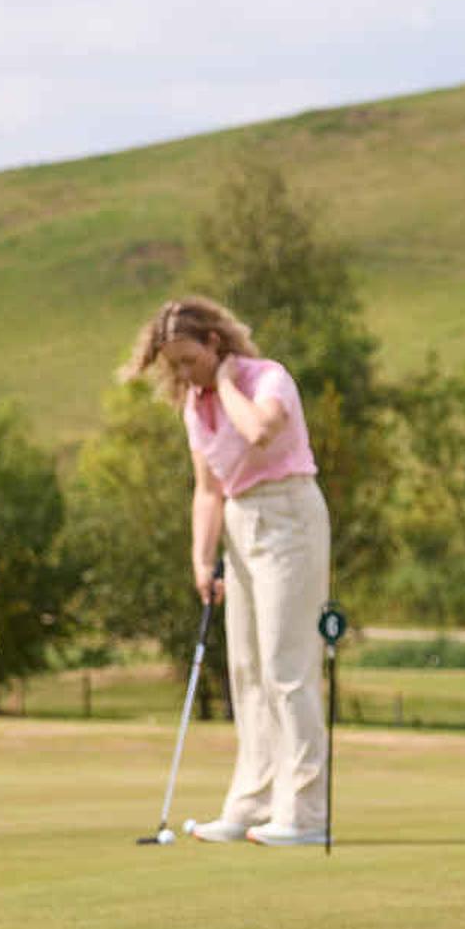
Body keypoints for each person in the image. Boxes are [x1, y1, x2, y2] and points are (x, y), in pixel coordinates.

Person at [122, 297, 333, 846]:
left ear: (214, 343)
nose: (182, 374)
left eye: (189, 360)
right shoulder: (196, 405)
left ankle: (305, 815)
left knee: (288, 668)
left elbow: (261, 432)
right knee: (246, 670)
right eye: (174, 364)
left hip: (290, 515)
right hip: (241, 524)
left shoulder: (268, 380)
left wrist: (228, 382)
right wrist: (201, 557)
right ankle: (250, 804)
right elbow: (208, 489)